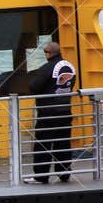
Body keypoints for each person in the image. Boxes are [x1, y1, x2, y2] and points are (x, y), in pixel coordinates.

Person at [27, 41, 77, 183]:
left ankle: (41, 176)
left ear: (48, 53)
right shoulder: (70, 66)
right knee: (63, 143)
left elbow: (34, 87)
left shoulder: (46, 68)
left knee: (43, 145)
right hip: (65, 111)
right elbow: (70, 85)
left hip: (48, 113)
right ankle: (64, 174)